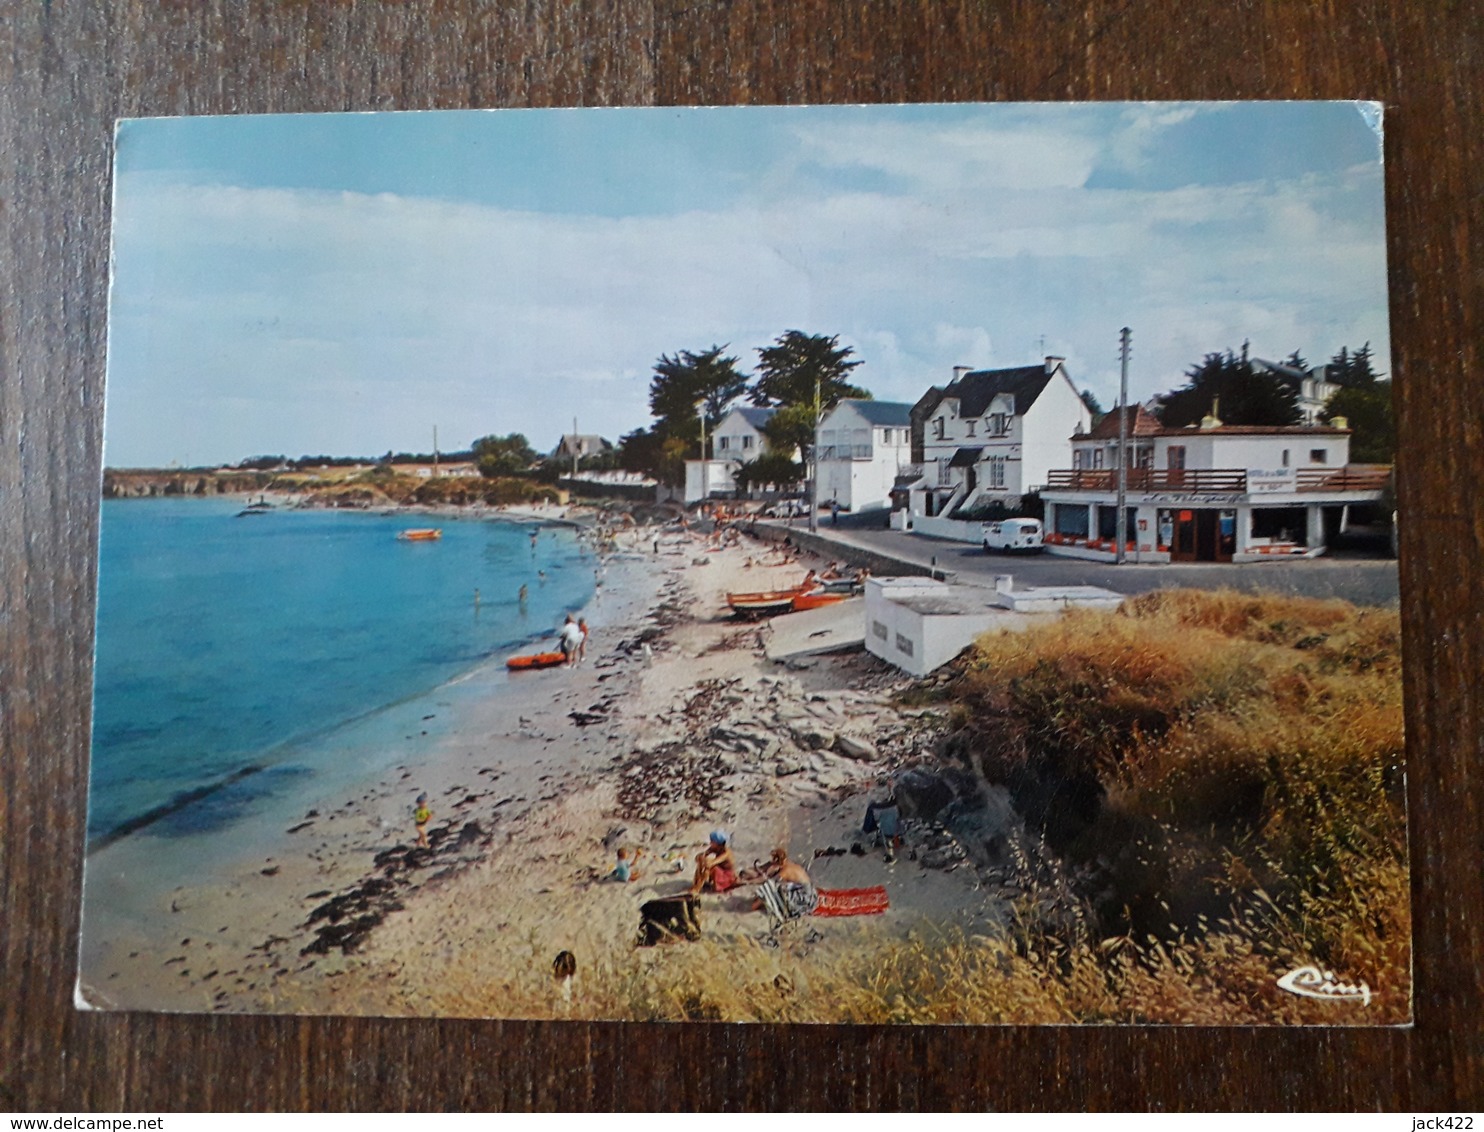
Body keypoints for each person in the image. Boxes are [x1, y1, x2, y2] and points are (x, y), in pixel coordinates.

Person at [690, 829, 737, 895]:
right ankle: (696, 884)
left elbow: (713, 863)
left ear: (718, 843)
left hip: (727, 875)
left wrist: (705, 861)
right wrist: (700, 857)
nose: (710, 842)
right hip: (720, 871)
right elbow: (702, 855)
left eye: (712, 841)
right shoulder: (715, 848)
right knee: (702, 862)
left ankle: (697, 888)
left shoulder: (726, 853)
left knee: (710, 867)